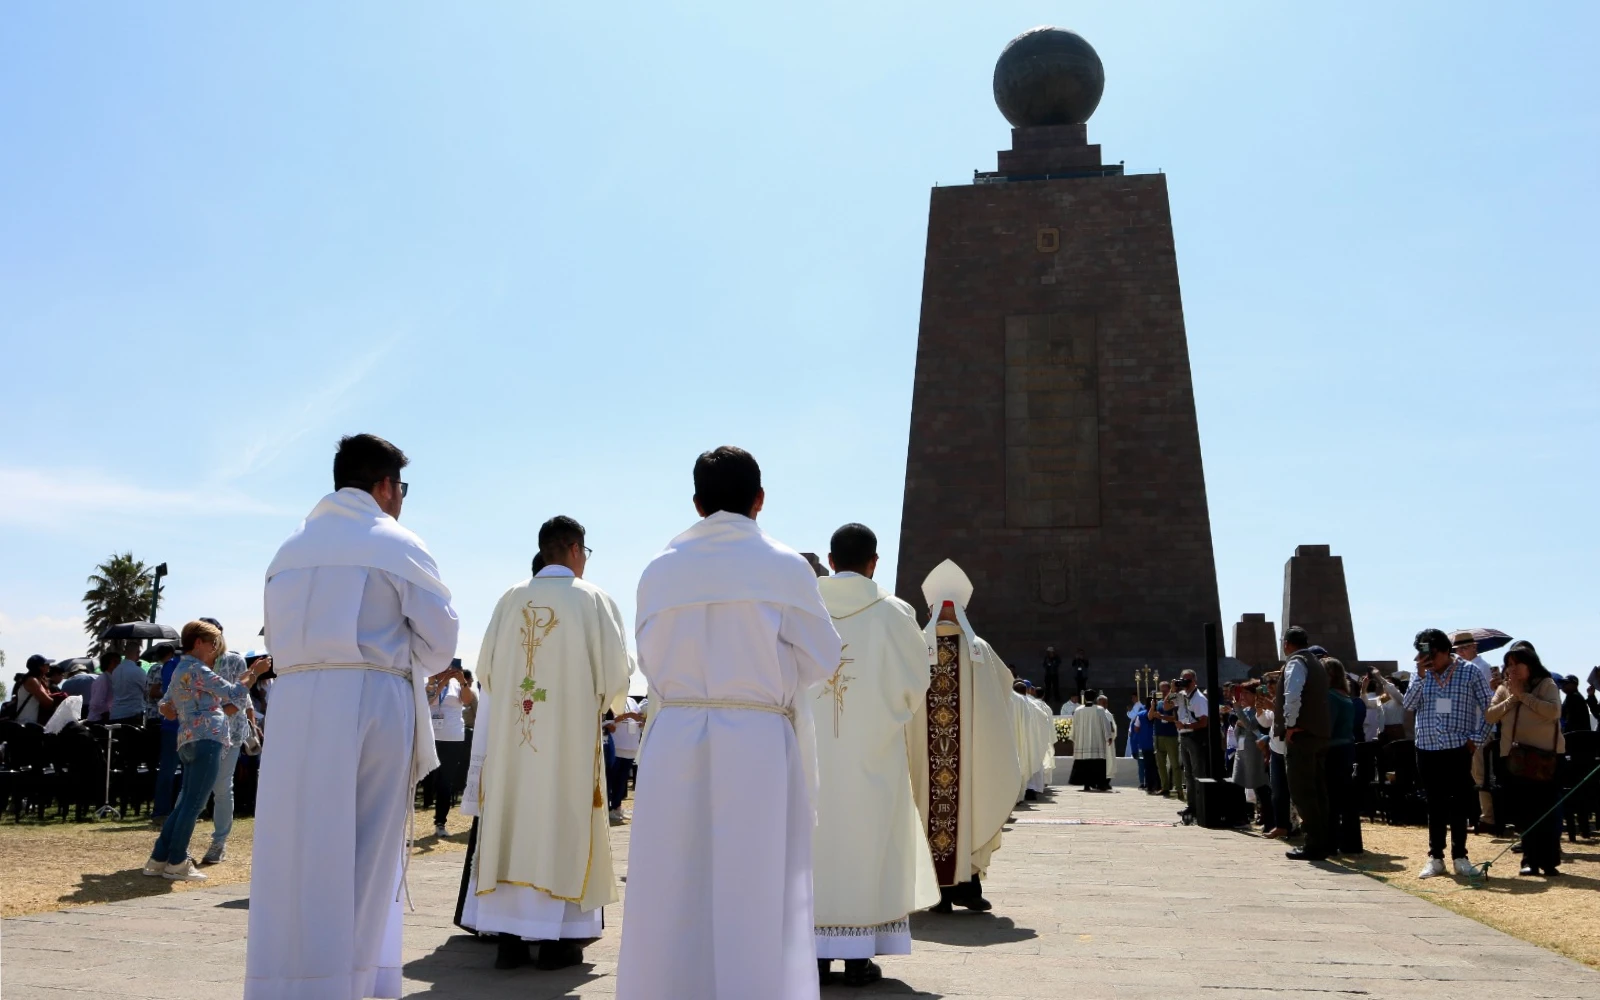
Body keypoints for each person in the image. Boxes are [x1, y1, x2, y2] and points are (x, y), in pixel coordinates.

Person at [615, 446, 842, 1000]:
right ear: (760, 500)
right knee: (757, 885)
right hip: (758, 739)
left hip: (676, 734)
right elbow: (823, 658)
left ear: (696, 504)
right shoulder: (784, 567)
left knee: (672, 882)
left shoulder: (658, 570)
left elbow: (647, 656)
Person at [247, 433, 459, 1000]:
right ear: (386, 486)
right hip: (370, 699)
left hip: (293, 704)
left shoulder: (287, 549)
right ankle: (352, 983)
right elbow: (440, 644)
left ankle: (282, 982)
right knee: (365, 847)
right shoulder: (395, 543)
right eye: (401, 489)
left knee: (294, 846)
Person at [460, 515, 631, 971]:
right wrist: (607, 702)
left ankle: (510, 939)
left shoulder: (510, 598)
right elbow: (617, 675)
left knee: (512, 820)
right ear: (576, 549)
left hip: (515, 743)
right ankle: (559, 942)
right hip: (568, 745)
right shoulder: (593, 600)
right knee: (564, 822)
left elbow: (487, 670)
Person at [809, 522, 938, 988]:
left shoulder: (805, 606)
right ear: (873, 562)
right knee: (868, 842)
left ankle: (816, 956)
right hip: (873, 753)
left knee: (816, 844)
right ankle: (859, 956)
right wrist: (886, 714)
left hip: (812, 753)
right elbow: (915, 683)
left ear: (830, 557)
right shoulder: (895, 612)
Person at [905, 559, 1022, 915]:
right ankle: (967, 888)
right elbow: (1004, 690)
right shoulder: (979, 650)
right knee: (968, 805)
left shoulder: (913, 647)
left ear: (929, 609)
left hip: (924, 760)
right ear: (963, 613)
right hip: (966, 757)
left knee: (928, 806)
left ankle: (936, 893)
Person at [143, 620, 269, 881]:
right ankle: (177, 861)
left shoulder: (180, 669)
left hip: (187, 738)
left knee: (185, 802)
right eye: (213, 642)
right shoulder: (198, 669)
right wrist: (254, 673)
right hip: (208, 738)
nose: (216, 647)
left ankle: (159, 857)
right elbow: (233, 692)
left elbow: (166, 706)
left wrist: (185, 708)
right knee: (194, 804)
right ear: (198, 642)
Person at [1403, 628, 1493, 879]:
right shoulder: (1421, 674)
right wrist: (1420, 675)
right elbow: (1409, 705)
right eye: (1423, 655)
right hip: (1427, 746)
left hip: (1458, 746)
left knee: (1459, 803)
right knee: (1434, 803)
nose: (1428, 661)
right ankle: (1435, 857)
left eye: (1431, 655)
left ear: (1444, 651)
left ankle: (1460, 856)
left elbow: (1490, 707)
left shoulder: (1470, 671)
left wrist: (1476, 739)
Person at [1485, 644, 1565, 876]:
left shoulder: (1547, 684)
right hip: (1514, 760)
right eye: (1508, 665)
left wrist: (1525, 696)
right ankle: (1529, 860)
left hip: (1546, 759)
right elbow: (1490, 715)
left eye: (1516, 664)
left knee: (1546, 811)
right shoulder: (1504, 688)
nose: (1512, 669)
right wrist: (1512, 698)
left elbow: (1553, 712)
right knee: (1524, 813)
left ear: (1529, 664)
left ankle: (1549, 861)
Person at [199, 620, 257, 864]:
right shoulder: (194, 663)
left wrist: (252, 724)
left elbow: (242, 698)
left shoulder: (234, 660)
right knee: (196, 791)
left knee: (222, 787)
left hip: (230, 734)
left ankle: (219, 842)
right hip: (201, 733)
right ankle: (178, 844)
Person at [1451, 631, 1498, 831]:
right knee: (1475, 773)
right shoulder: (1463, 669)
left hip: (1480, 726)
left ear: (1474, 647)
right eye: (1458, 649)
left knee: (1482, 774)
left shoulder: (1481, 668)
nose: (1460, 652)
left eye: (1464, 648)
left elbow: (1485, 700)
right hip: (1468, 727)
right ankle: (1483, 814)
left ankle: (1488, 817)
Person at [426, 657, 477, 838]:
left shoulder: (458, 686)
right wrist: (442, 682)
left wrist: (462, 681)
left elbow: (467, 700)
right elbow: (428, 701)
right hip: (430, 737)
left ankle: (440, 822)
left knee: (445, 781)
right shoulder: (430, 683)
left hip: (453, 738)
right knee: (422, 778)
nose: (448, 671)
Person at [1323, 658, 1364, 855]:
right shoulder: (1346, 696)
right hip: (1347, 749)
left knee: (1330, 800)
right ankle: (1351, 844)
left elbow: (1326, 729)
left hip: (1332, 751)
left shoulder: (1330, 697)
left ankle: (1330, 842)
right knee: (1347, 801)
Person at [1172, 669, 1211, 820]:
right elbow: (1168, 705)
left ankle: (1201, 806)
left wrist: (1186, 725)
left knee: (1197, 773)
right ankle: (1191, 805)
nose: (1185, 684)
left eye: (1188, 681)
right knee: (1187, 774)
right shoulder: (1182, 696)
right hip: (1184, 736)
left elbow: (1203, 722)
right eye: (1183, 680)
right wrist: (1173, 689)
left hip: (1194, 737)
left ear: (1195, 681)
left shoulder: (1199, 699)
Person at [1229, 684, 1269, 815]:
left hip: (1254, 750)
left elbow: (1251, 725)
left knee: (1258, 784)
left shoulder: (1259, 710)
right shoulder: (1245, 710)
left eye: (1247, 693)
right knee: (1237, 781)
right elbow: (1238, 732)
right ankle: (1242, 815)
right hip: (1241, 749)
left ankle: (1265, 814)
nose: (1243, 696)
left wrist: (1238, 711)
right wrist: (1238, 723)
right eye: (1243, 693)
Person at [1068, 691, 1116, 792]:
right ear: (1094, 698)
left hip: (1082, 742)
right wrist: (1108, 737)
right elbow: (1106, 724)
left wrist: (1073, 737)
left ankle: (1086, 785)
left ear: (1084, 698)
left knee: (1085, 764)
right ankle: (1101, 784)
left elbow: (1074, 725)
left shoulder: (1078, 710)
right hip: (1096, 742)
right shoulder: (1099, 710)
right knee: (1097, 764)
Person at [1149, 680, 1181, 798]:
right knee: (1160, 764)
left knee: (1174, 763)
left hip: (1170, 736)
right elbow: (1150, 716)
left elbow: (1175, 718)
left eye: (1164, 690)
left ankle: (1178, 788)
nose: (1162, 692)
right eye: (1160, 690)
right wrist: (1152, 706)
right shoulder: (1159, 703)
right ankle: (1165, 787)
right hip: (1158, 736)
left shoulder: (1174, 702)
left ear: (1169, 690)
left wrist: (1162, 716)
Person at [108, 640, 150, 727]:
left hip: (115, 714)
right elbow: (147, 692)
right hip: (132, 714)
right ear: (138, 653)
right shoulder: (138, 671)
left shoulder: (115, 671)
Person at [12, 655, 56, 725]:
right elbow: (47, 702)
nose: (49, 666)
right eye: (47, 664)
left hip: (30, 724)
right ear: (40, 667)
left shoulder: (37, 680)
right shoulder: (32, 681)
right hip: (24, 725)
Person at [1127, 694, 1154, 791]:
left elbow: (1135, 732)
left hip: (1142, 745)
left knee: (1143, 764)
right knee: (1149, 764)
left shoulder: (1140, 715)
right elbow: (1134, 731)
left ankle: (1145, 783)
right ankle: (1148, 782)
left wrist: (1134, 747)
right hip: (1153, 745)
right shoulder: (1156, 714)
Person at [87, 652, 117, 721]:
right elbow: (96, 703)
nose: (119, 665)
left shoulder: (111, 678)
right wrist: (107, 714)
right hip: (98, 720)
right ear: (108, 664)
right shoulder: (103, 679)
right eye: (116, 662)